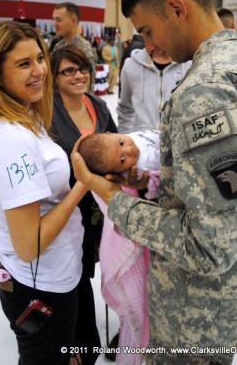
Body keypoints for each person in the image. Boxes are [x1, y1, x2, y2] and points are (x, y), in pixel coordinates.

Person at [72, 0, 237, 365]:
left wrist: (112, 197)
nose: (149, 46)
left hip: (197, 313)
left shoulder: (204, 91)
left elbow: (210, 247)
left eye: (148, 31)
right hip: (230, 294)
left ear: (176, 8)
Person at [0, 21, 85, 365]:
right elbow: (28, 244)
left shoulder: (18, 118)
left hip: (38, 279)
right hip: (42, 285)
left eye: (39, 59)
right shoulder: (12, 141)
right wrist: (82, 185)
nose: (39, 71)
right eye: (23, 64)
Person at [50, 46, 118, 365]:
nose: (79, 75)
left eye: (83, 69)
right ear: (54, 77)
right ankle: (77, 343)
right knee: (72, 279)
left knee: (90, 274)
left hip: (98, 210)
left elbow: (116, 145)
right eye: (69, 70)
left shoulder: (100, 107)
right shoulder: (46, 113)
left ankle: (86, 342)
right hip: (63, 210)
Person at [78, 129, 160, 365]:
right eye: (122, 160)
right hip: (149, 232)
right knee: (141, 310)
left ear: (114, 133)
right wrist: (148, 184)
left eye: (122, 143)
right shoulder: (137, 170)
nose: (129, 150)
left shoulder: (133, 135)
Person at [117, 44, 191, 132]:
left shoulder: (189, 64)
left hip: (178, 142)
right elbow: (125, 109)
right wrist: (125, 137)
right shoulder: (131, 65)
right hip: (140, 142)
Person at [51, 2, 98, 86]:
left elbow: (89, 86)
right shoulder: (58, 47)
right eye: (54, 20)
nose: (54, 24)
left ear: (73, 21)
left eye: (58, 20)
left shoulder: (84, 50)